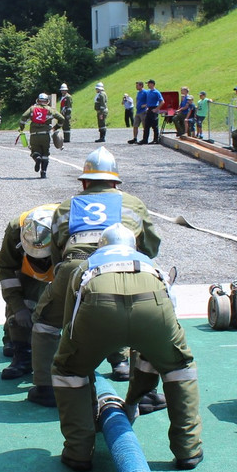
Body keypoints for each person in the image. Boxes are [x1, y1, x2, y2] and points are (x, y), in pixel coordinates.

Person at [51, 223, 203, 472]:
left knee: (69, 370)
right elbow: (170, 317)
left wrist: (79, 361)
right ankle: (188, 449)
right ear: (134, 246)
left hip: (98, 305)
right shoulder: (152, 265)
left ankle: (78, 451)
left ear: (101, 246)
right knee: (179, 368)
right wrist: (132, 401)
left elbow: (71, 322)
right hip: (153, 304)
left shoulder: (85, 266)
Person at [29, 146, 161, 405]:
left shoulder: (67, 206)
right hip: (125, 264)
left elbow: (57, 251)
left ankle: (45, 388)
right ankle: (144, 392)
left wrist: (64, 282)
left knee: (45, 322)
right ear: (115, 182)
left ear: (84, 182)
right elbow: (151, 247)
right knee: (145, 322)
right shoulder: (133, 203)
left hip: (75, 267)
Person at [0, 204, 57, 380]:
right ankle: (23, 356)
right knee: (23, 301)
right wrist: (18, 308)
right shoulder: (15, 229)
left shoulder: (70, 229)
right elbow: (6, 269)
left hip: (64, 264)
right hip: (27, 269)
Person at [19, 93, 64, 178]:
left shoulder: (32, 108)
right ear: (47, 101)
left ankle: (37, 158)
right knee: (45, 154)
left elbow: (23, 117)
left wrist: (22, 127)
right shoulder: (50, 110)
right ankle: (43, 172)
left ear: (38, 100)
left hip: (34, 135)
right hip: (45, 135)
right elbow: (62, 118)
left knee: (34, 152)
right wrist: (56, 127)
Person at [138, 79, 164, 145]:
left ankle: (156, 139)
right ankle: (145, 139)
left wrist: (157, 109)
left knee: (154, 125)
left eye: (149, 84)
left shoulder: (156, 92)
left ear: (152, 84)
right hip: (149, 109)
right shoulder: (148, 92)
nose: (148, 85)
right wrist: (147, 106)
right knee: (146, 125)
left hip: (154, 109)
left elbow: (162, 101)